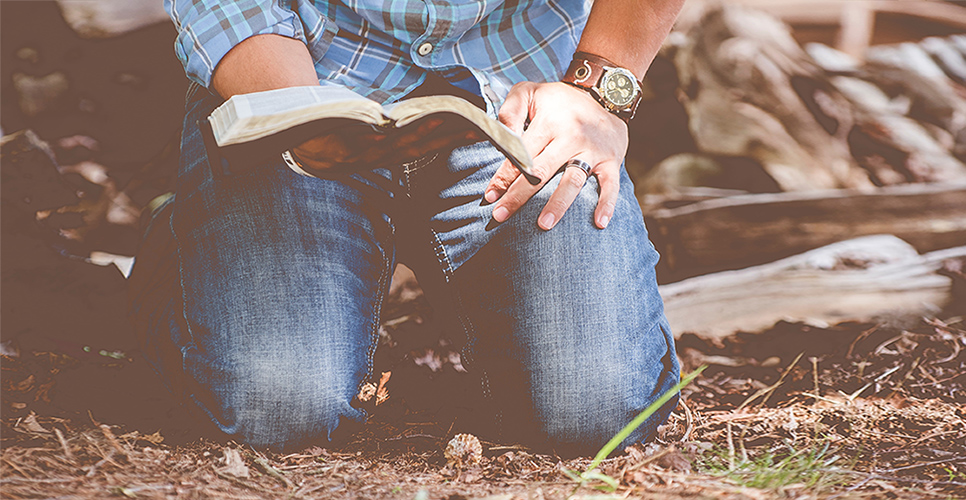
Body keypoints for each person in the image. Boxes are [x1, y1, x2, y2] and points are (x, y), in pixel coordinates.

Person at [129, 0, 684, 454]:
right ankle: (185, 257)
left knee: (597, 413)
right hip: (299, 79)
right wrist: (295, 108)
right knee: (278, 409)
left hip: (517, 102)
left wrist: (596, 92)